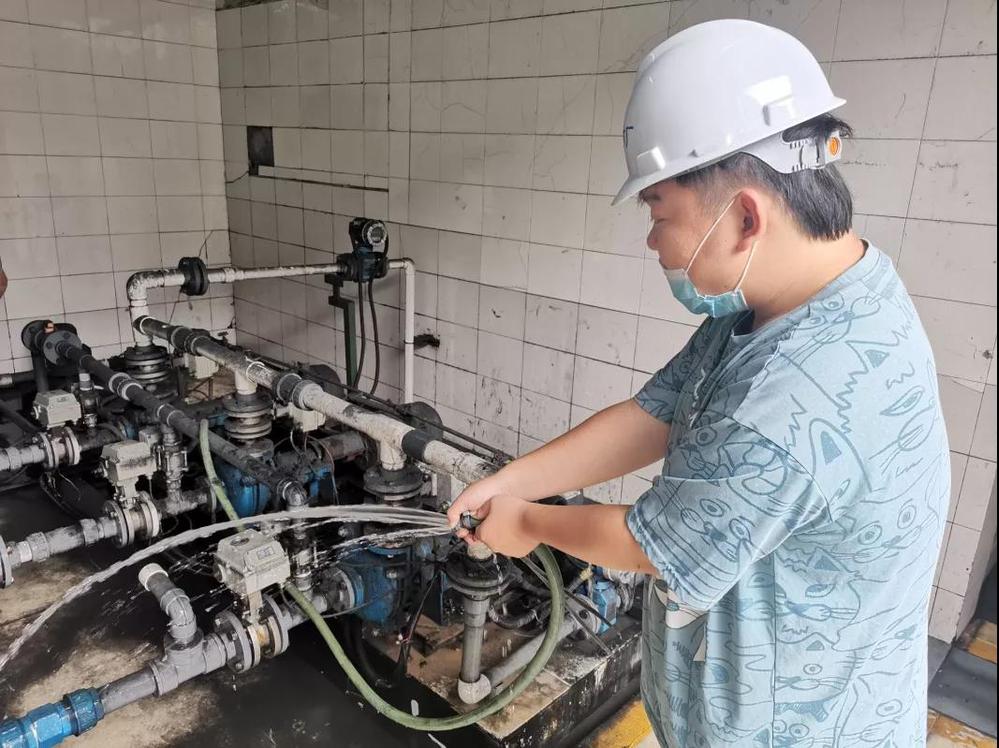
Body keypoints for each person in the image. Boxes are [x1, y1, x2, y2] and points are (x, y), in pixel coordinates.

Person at [447, 18, 949, 748]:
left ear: (745, 216)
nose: (652, 241)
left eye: (660, 212)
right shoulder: (801, 298)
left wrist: (527, 523)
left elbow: (655, 546)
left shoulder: (796, 394)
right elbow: (654, 413)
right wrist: (513, 480)